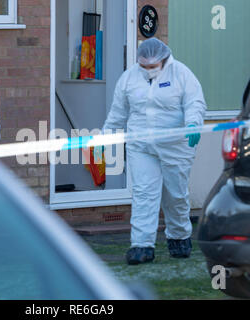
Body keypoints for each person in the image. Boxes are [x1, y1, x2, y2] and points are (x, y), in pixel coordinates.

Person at [98, 38, 206, 265]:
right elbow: (118, 112)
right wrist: (107, 134)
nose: (148, 71)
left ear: (164, 60)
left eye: (152, 67)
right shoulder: (129, 78)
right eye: (144, 66)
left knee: (175, 195)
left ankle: (179, 237)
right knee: (143, 193)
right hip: (141, 145)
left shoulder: (181, 74)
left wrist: (193, 123)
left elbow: (194, 103)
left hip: (176, 144)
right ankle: (141, 245)